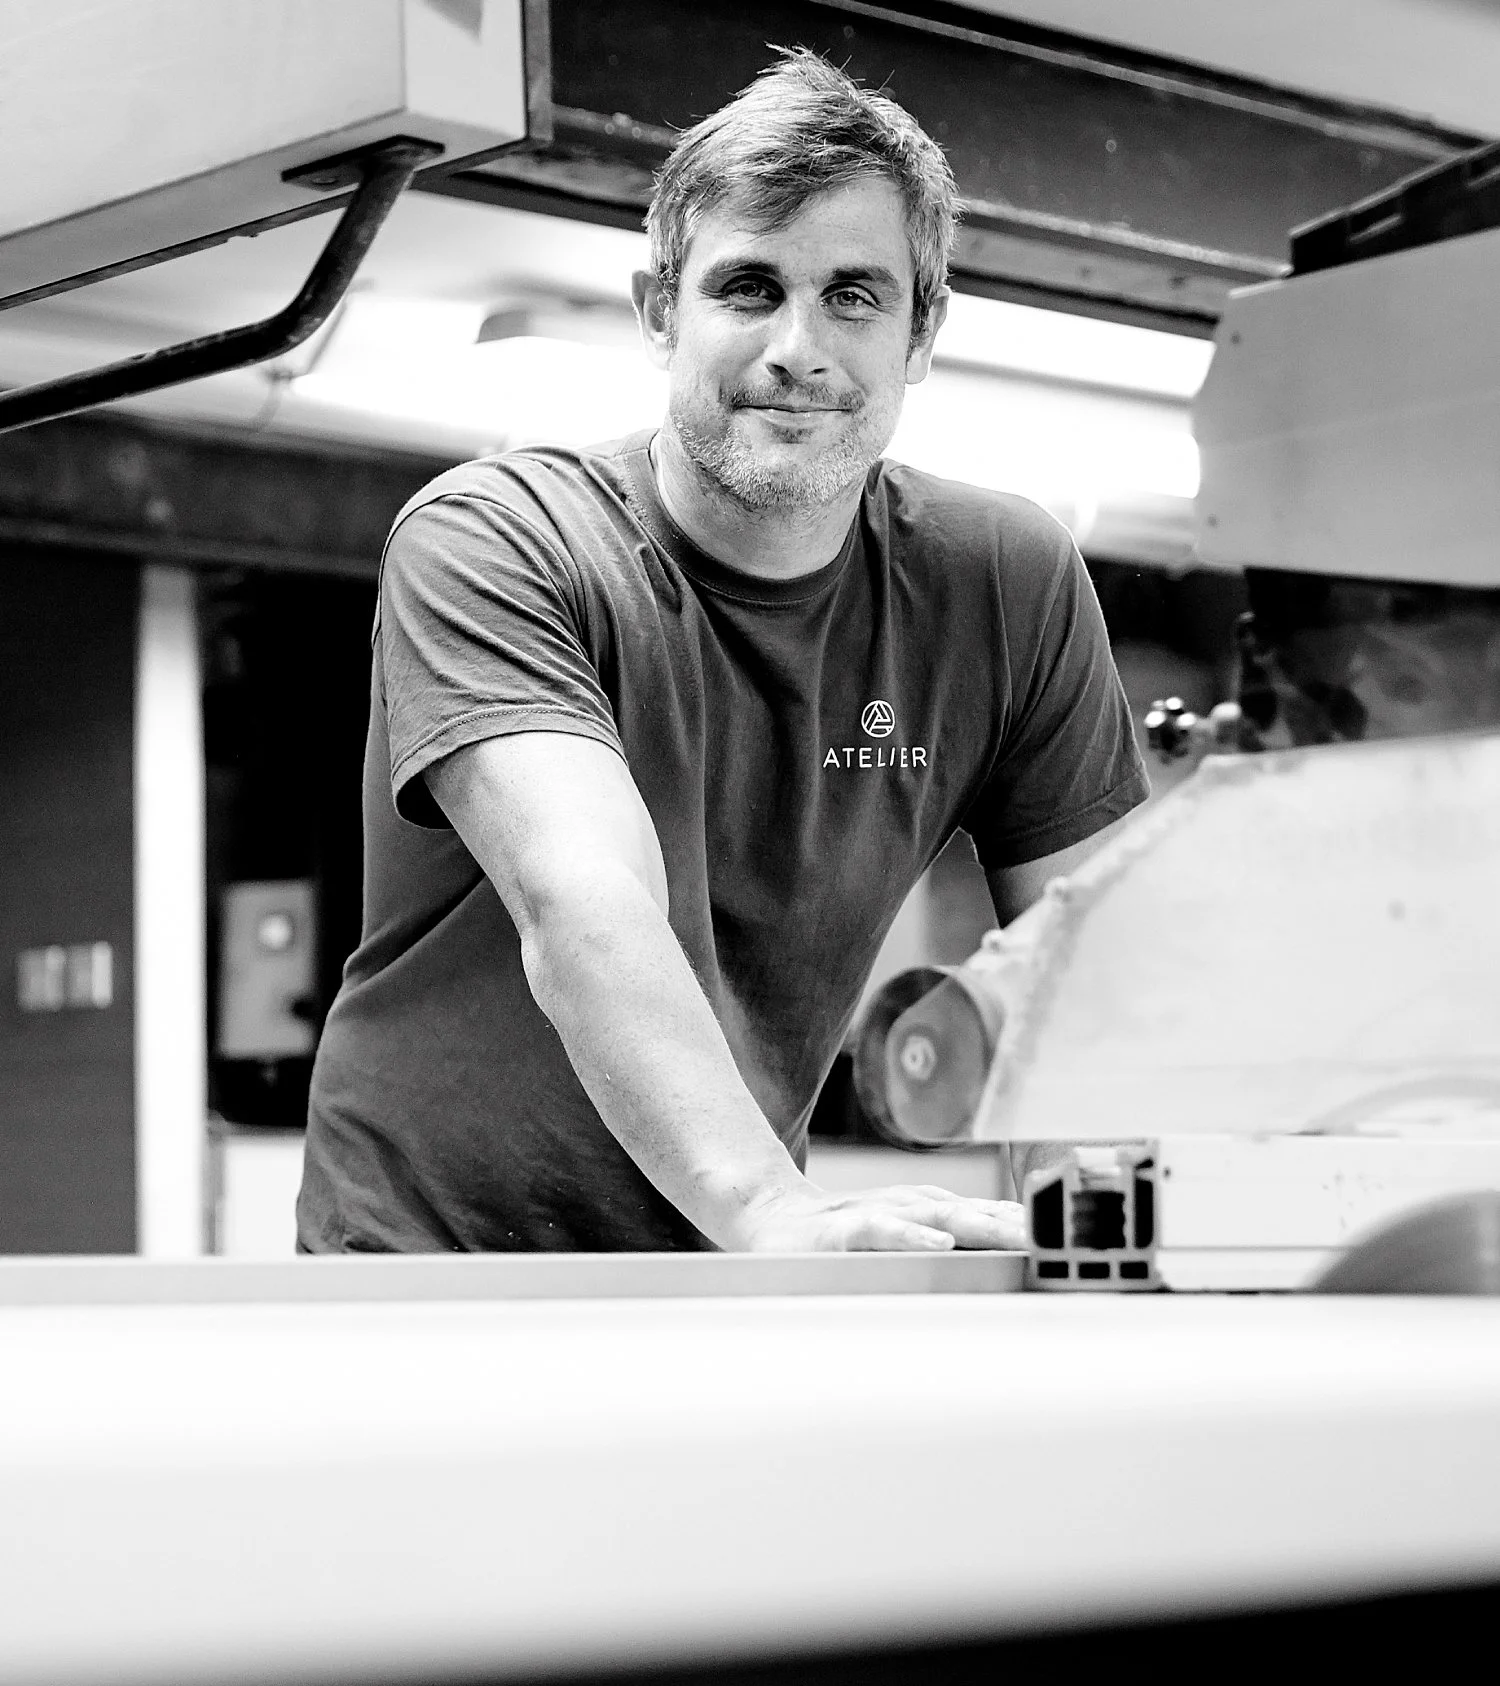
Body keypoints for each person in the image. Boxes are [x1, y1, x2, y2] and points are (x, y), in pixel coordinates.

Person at [297, 49, 1147, 1258]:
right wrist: (771, 1210)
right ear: (661, 312)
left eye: (855, 294)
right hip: (438, 1264)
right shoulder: (499, 539)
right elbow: (583, 898)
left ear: (922, 329)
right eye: (749, 287)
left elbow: (1093, 959)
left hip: (731, 1259)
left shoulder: (1004, 580)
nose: (799, 346)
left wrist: (1094, 1235)